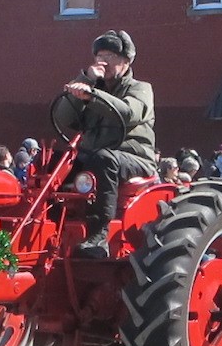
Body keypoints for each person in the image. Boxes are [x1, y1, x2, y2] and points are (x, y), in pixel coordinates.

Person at [52, 30, 155, 258]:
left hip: (132, 158)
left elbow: (128, 113)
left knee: (104, 159)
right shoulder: (92, 86)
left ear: (126, 61)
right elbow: (63, 118)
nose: (102, 61)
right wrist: (85, 81)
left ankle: (99, 236)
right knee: (54, 162)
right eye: (99, 55)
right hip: (95, 156)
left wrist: (92, 96)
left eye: (110, 56)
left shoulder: (140, 88)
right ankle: (48, 229)